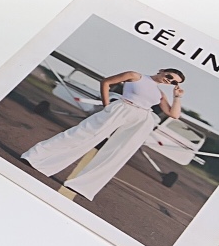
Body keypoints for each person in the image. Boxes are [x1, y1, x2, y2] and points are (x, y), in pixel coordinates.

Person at [21, 67, 185, 200]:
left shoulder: (161, 94)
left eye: (173, 82)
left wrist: (177, 97)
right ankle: (36, 157)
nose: (169, 80)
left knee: (119, 153)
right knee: (82, 134)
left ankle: (82, 186)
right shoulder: (135, 76)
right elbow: (106, 82)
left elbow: (174, 114)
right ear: (162, 71)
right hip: (122, 108)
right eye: (169, 76)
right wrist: (106, 105)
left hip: (142, 119)